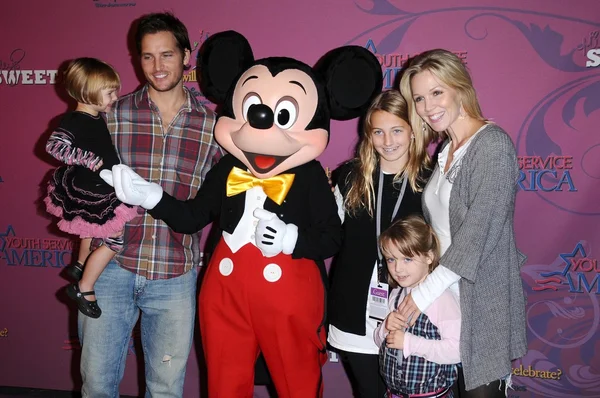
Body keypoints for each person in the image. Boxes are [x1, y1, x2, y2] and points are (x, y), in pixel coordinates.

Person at [77, 12, 223, 398]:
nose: (157, 67)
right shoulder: (113, 115)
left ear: (186, 56)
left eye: (167, 55)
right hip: (111, 270)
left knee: (166, 390)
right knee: (96, 386)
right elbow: (83, 187)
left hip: (175, 274)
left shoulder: (214, 128)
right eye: (147, 57)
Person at [397, 49, 527, 397]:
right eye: (420, 98)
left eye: (436, 92)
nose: (427, 107)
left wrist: (422, 294)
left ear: (461, 88)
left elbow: (478, 235)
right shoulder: (446, 149)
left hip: (479, 298)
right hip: (445, 298)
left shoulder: (492, 147)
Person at [327, 89, 432, 398]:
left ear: (413, 131)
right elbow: (329, 235)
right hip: (354, 305)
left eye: (397, 130)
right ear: (368, 135)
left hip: (413, 306)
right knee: (368, 390)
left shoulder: (431, 179)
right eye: (379, 132)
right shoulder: (350, 176)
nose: (388, 141)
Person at [44, 57, 138, 319]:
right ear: (88, 92)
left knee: (88, 227)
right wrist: (90, 161)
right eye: (109, 92)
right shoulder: (75, 119)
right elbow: (54, 146)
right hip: (92, 187)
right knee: (115, 238)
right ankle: (84, 287)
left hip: (100, 185)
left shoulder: (95, 117)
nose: (114, 97)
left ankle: (80, 265)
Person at [374, 215, 460, 398]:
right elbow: (380, 341)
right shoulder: (397, 295)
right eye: (391, 259)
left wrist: (409, 343)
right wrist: (385, 327)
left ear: (429, 257)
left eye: (407, 259)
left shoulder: (442, 299)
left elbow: (457, 352)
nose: (397, 269)